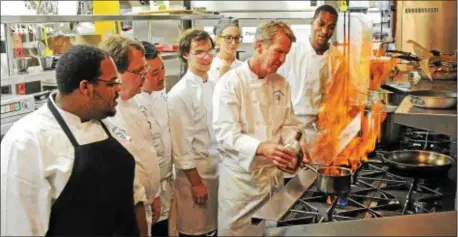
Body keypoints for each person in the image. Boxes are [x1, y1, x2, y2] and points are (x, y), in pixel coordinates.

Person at [1, 45, 142, 236]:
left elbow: (133, 194)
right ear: (85, 87)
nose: (118, 89)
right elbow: (20, 227)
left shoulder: (108, 120)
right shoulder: (28, 140)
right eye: (111, 84)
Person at [212, 20, 300, 236]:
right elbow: (226, 134)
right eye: (278, 51)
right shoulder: (231, 83)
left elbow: (289, 124)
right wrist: (262, 147)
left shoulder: (281, 83)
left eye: (286, 54)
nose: (282, 59)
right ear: (259, 46)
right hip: (241, 187)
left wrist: (293, 150)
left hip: (272, 183)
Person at [99, 36, 162, 237]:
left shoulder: (135, 101)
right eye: (138, 71)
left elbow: (147, 150)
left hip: (147, 203)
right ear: (116, 71)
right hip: (126, 212)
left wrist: (155, 194)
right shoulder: (104, 114)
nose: (145, 76)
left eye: (145, 70)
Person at [167, 29, 218, 237]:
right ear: (186, 55)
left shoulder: (214, 85)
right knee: (195, 231)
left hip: (216, 169)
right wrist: (196, 183)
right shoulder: (180, 93)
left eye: (209, 51)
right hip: (194, 176)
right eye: (199, 52)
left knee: (214, 229)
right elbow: (181, 145)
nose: (206, 57)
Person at [277, 4, 344, 146]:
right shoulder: (293, 53)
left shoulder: (337, 58)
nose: (325, 31)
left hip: (322, 131)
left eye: (331, 27)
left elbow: (338, 97)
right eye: (320, 24)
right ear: (311, 23)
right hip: (292, 128)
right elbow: (276, 90)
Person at [134, 41, 174, 236]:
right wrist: (153, 194)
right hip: (145, 194)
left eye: (163, 69)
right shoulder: (131, 104)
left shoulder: (160, 96)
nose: (162, 77)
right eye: (154, 73)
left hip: (166, 186)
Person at [209, 17, 243, 81]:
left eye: (236, 38)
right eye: (228, 37)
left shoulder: (243, 67)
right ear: (217, 39)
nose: (233, 43)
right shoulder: (209, 67)